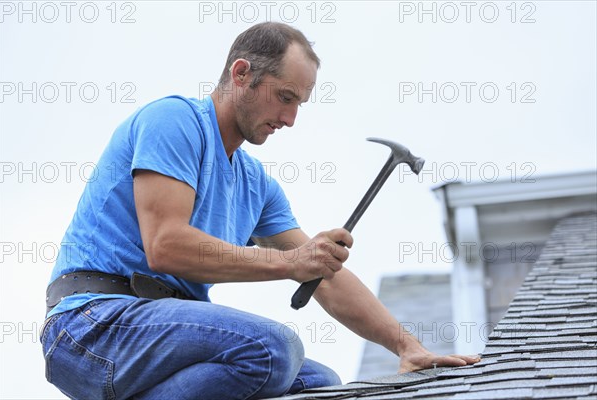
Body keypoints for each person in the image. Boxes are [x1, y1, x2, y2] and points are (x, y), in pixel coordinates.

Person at [40, 22, 480, 400]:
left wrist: (406, 346)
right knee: (273, 349)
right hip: (94, 326)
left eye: (299, 105)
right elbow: (165, 246)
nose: (290, 119)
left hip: (158, 337)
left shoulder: (257, 187)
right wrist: (290, 262)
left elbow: (321, 276)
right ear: (241, 73)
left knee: (318, 383)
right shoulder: (174, 121)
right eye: (284, 97)